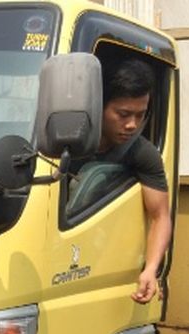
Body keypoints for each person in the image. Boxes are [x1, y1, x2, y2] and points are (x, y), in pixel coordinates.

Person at [68, 58, 171, 305]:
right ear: (98, 106)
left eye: (140, 115)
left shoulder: (143, 154)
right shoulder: (65, 143)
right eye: (123, 114)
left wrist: (151, 269)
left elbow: (160, 216)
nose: (132, 125)